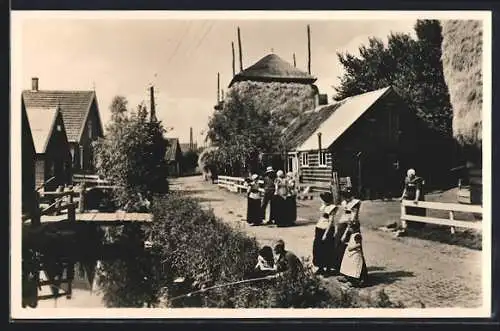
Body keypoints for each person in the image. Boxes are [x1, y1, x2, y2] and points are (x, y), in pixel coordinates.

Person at [333, 187, 361, 272]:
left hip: (350, 227)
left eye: (346, 196)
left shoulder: (355, 203)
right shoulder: (344, 202)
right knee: (338, 244)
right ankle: (340, 267)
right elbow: (343, 214)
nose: (345, 198)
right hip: (342, 224)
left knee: (350, 247)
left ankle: (351, 270)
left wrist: (346, 232)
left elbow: (353, 219)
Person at [313, 192, 338, 276]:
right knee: (318, 248)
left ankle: (328, 269)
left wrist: (326, 234)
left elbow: (331, 222)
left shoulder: (332, 208)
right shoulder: (324, 206)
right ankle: (320, 267)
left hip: (326, 230)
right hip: (319, 228)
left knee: (327, 249)